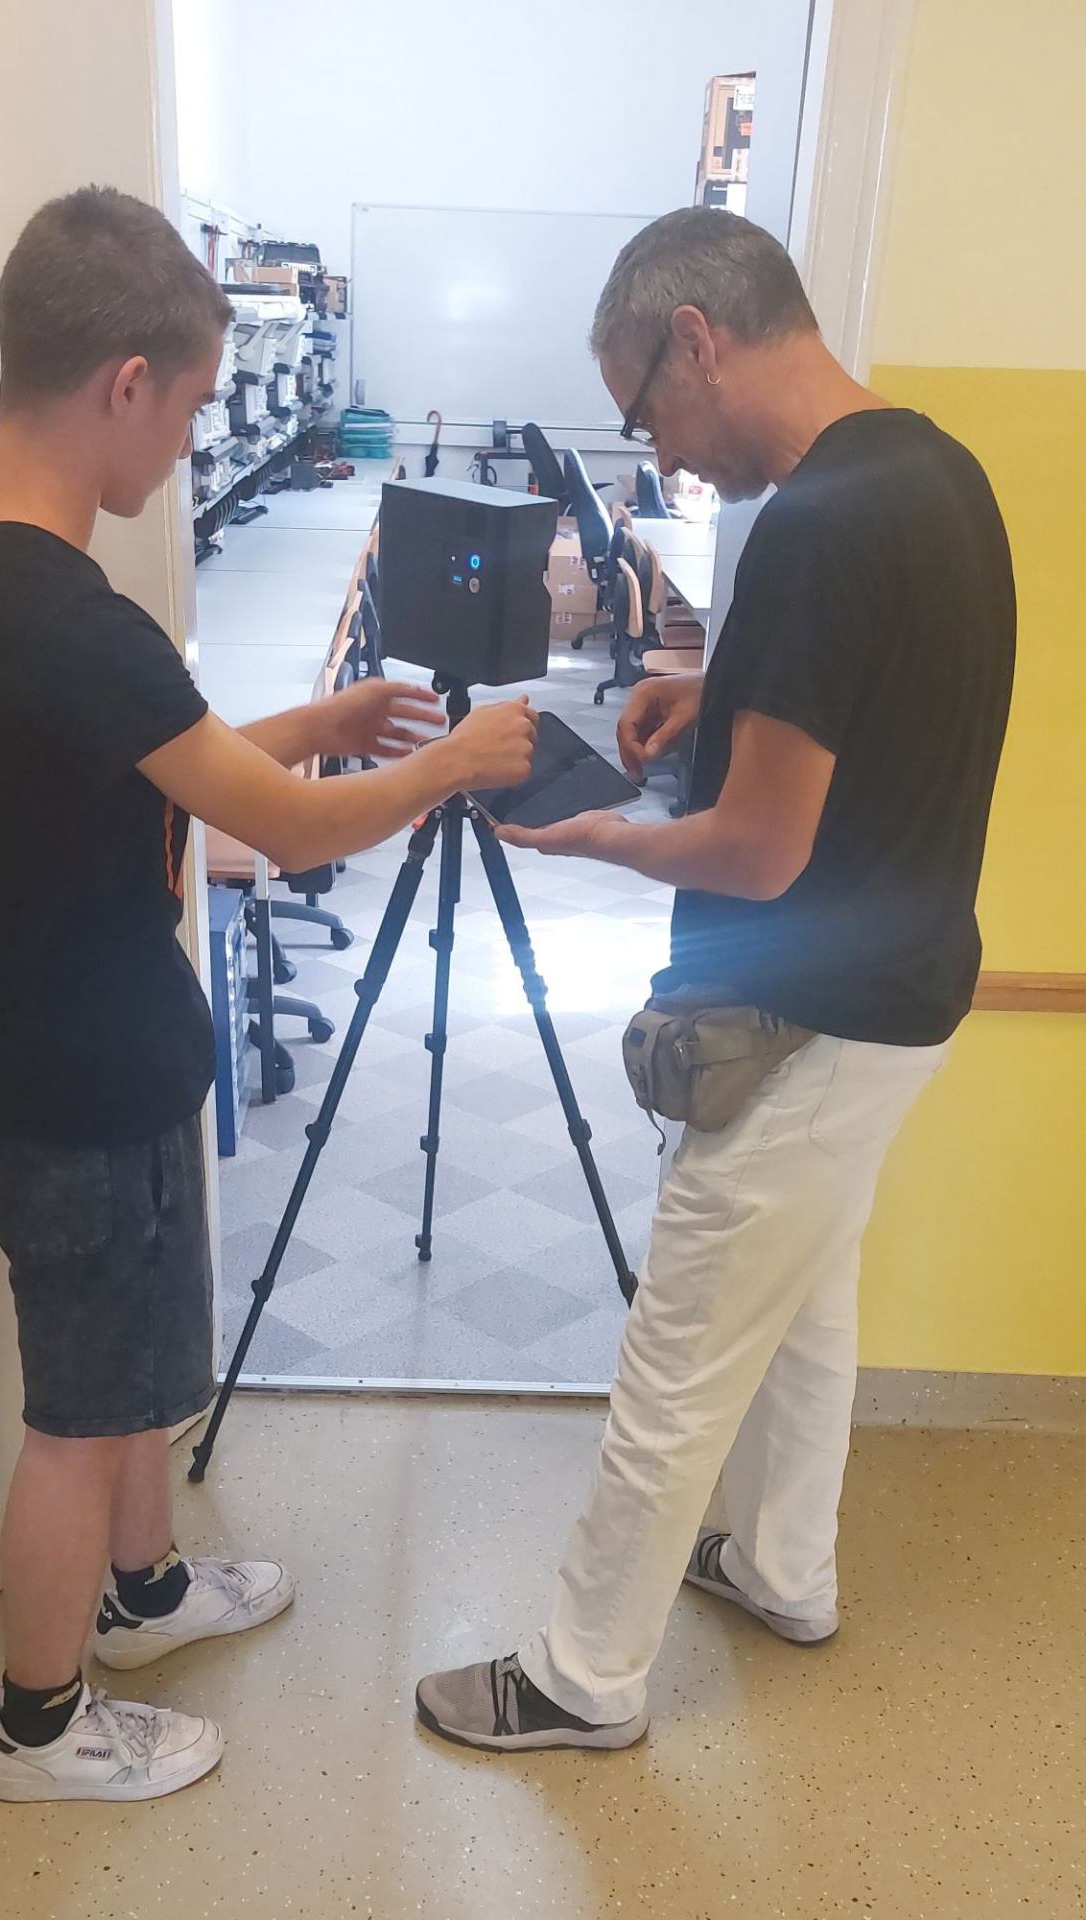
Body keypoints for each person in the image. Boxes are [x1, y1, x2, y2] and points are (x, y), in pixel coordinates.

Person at [0, 185, 537, 1803]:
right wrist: (449, 763)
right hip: (80, 1080)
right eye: (183, 408)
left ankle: (148, 1592)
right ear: (124, 382)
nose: (186, 442)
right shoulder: (74, 619)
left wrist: (320, 721)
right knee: (79, 1409)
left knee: (127, 1376)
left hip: (58, 1049)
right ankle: (39, 1729)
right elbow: (286, 831)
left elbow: (143, 758)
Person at [416, 206, 1014, 1752]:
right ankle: (784, 1570)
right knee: (809, 1304)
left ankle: (582, 1677)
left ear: (698, 339)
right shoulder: (932, 471)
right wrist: (722, 690)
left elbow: (756, 850)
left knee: (679, 1350)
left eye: (647, 413)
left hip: (802, 1018)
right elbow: (881, 699)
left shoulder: (812, 528)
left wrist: (599, 838)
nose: (661, 455)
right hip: (905, 993)